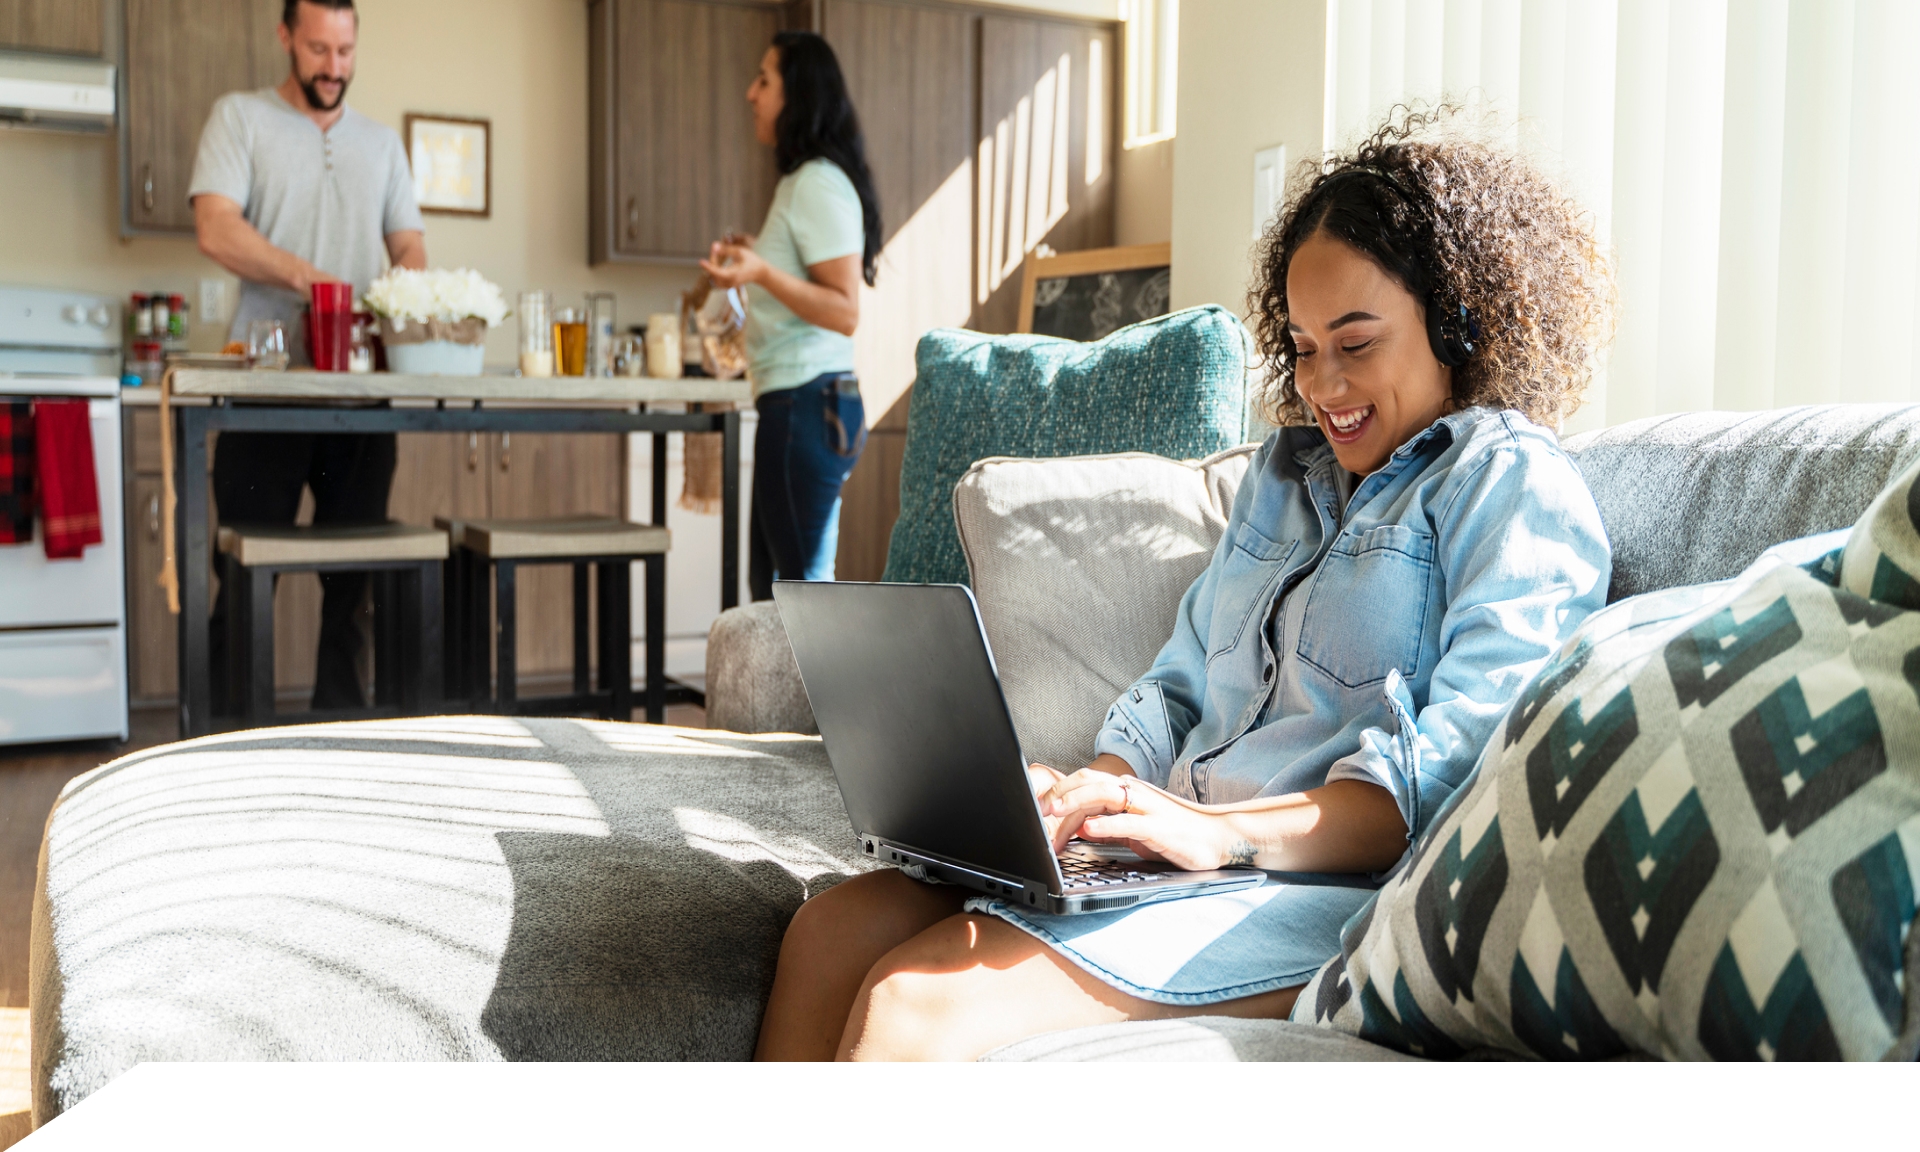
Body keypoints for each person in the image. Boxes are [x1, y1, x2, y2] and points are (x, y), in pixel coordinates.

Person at [754, 109, 1620, 1060]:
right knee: (829, 932)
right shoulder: (1283, 479)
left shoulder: (1511, 489)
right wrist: (1100, 794)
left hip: (1318, 896)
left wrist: (1221, 834)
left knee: (918, 1003)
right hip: (1181, 857)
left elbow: (1452, 783)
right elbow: (1178, 685)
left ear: (1454, 323)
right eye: (1301, 345)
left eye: (1356, 342)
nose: (1323, 385)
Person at [188, 0, 426, 712]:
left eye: (346, 52)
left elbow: (408, 241)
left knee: (352, 584)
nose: (334, 68)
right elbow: (215, 227)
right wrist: (312, 279)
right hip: (265, 391)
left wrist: (406, 282)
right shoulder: (240, 118)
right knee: (244, 573)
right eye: (320, 50)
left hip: (359, 395)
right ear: (286, 37)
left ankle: (341, 738)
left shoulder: (382, 145)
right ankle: (228, 736)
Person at [699, 31, 882, 602]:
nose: (750, 94)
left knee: (800, 599)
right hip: (805, 403)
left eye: (764, 80)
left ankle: (822, 697)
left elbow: (845, 310)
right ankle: (784, 697)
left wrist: (759, 272)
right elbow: (813, 279)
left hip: (805, 404)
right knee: (777, 592)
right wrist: (762, 254)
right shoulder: (805, 183)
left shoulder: (816, 183)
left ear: (796, 94)